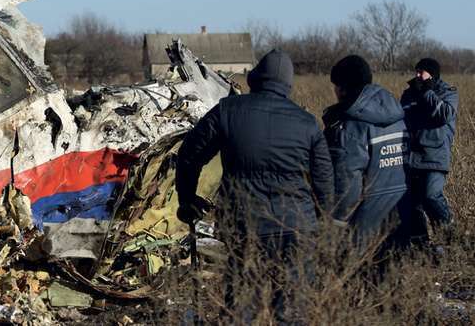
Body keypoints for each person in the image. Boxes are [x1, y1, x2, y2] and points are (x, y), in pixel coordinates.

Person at [175, 49, 334, 319]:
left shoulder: (228, 111)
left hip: (245, 225)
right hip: (297, 227)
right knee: (293, 310)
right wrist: (321, 219)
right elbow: (325, 181)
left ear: (256, 78)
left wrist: (187, 199)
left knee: (241, 307)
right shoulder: (307, 123)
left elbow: (189, 155)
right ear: (287, 85)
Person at [322, 55, 408, 242]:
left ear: (343, 88)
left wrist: (336, 221)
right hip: (403, 214)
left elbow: (348, 181)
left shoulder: (351, 126)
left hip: (365, 224)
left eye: (335, 85)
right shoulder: (396, 116)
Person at [399, 58, 458, 245]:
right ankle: (420, 247)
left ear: (432, 73)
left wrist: (427, 92)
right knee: (412, 205)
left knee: (431, 196)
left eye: (421, 72)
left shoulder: (447, 93)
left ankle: (449, 237)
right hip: (410, 157)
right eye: (416, 71)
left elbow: (444, 115)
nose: (417, 75)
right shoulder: (409, 94)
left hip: (435, 156)